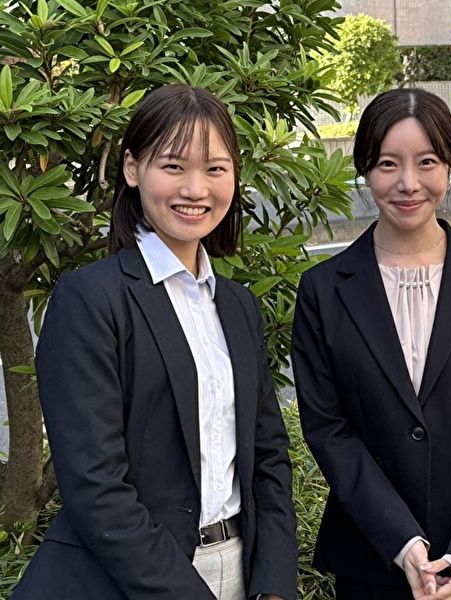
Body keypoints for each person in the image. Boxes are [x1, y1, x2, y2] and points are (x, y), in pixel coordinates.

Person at [13, 84, 297, 600]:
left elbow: (268, 457)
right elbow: (97, 487)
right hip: (125, 582)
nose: (196, 188)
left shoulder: (237, 305)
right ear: (132, 168)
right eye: (173, 166)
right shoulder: (90, 300)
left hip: (238, 568)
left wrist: (274, 584)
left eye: (215, 168)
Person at [291, 88, 451, 600]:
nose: (408, 183)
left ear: (450, 165)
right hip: (373, 557)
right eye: (388, 164)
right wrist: (402, 540)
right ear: (365, 169)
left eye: (427, 162)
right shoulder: (323, 290)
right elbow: (329, 429)